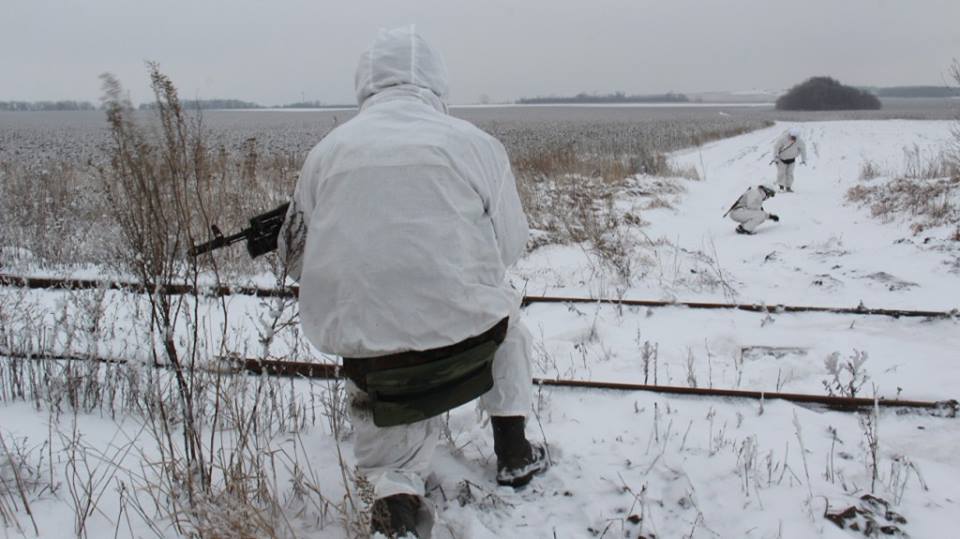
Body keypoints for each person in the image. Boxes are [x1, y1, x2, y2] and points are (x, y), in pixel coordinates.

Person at [278, 26, 547, 538]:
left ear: (365, 83)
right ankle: (513, 449)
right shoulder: (477, 145)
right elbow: (509, 246)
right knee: (508, 320)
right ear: (436, 81)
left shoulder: (325, 154)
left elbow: (297, 261)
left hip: (378, 366)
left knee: (377, 341)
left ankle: (395, 497)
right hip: (469, 347)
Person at [771, 127, 808, 192]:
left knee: (790, 174)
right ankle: (781, 187)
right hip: (781, 159)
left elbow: (803, 150)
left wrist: (803, 159)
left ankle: (788, 187)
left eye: (794, 137)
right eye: (792, 136)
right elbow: (776, 148)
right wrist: (775, 157)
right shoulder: (782, 139)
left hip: (791, 160)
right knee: (781, 173)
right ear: (789, 134)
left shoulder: (800, 142)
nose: (793, 138)